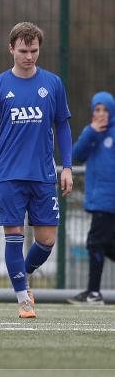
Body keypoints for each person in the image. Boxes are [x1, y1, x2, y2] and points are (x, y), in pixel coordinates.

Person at [0, 22, 73, 318]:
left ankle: (20, 274)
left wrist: (66, 167)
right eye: (23, 51)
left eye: (34, 50)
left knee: (46, 241)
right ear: (11, 49)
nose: (29, 56)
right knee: (14, 236)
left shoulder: (53, 84)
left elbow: (63, 126)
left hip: (44, 175)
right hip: (8, 175)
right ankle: (23, 299)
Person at [69, 91, 115, 305]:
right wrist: (90, 132)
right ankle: (93, 292)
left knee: (95, 242)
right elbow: (76, 155)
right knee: (105, 245)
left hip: (109, 200)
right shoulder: (92, 134)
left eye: (105, 110)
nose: (101, 114)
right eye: (97, 109)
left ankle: (93, 293)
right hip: (98, 200)